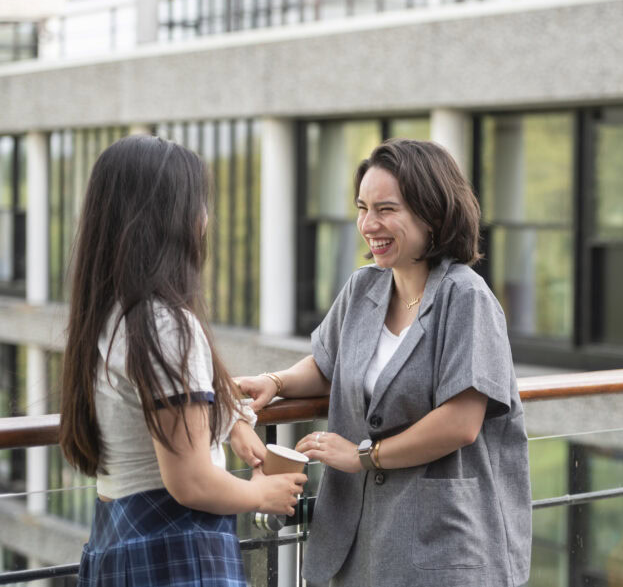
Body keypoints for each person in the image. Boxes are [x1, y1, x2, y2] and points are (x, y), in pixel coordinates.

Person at [237, 138, 532, 587]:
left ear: (432, 214)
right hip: (359, 543)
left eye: (386, 209)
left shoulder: (466, 297)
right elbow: (328, 364)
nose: (368, 224)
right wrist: (275, 382)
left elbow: (461, 422)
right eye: (362, 208)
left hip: (443, 546)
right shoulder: (364, 288)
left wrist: (363, 455)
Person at [58, 136, 307, 587]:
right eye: (198, 204)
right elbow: (191, 482)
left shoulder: (112, 314)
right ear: (169, 219)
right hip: (176, 552)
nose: (205, 218)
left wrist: (228, 419)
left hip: (119, 542)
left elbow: (152, 409)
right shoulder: (166, 324)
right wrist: (260, 494)